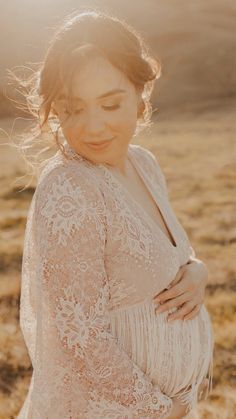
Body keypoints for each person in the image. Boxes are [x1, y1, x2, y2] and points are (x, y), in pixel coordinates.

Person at [16, 10, 214, 419]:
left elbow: (167, 251)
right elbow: (81, 336)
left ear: (140, 93)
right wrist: (159, 409)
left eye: (110, 104)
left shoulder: (144, 164)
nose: (93, 127)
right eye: (72, 109)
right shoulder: (71, 188)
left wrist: (196, 269)